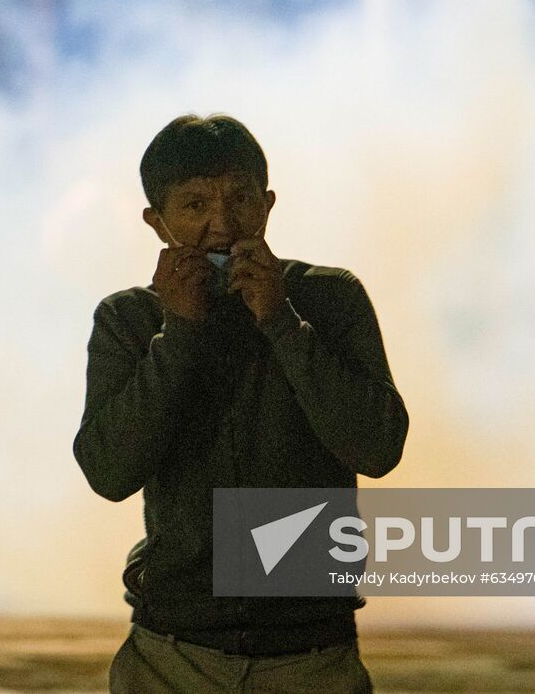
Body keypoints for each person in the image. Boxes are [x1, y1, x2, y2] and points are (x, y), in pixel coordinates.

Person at [74, 113, 409, 693]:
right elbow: (108, 471)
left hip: (310, 654)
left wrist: (281, 320)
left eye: (240, 199)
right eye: (195, 205)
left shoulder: (329, 298)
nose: (221, 224)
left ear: (268, 204)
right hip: (172, 654)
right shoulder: (128, 319)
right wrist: (177, 333)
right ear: (158, 222)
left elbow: (377, 448)